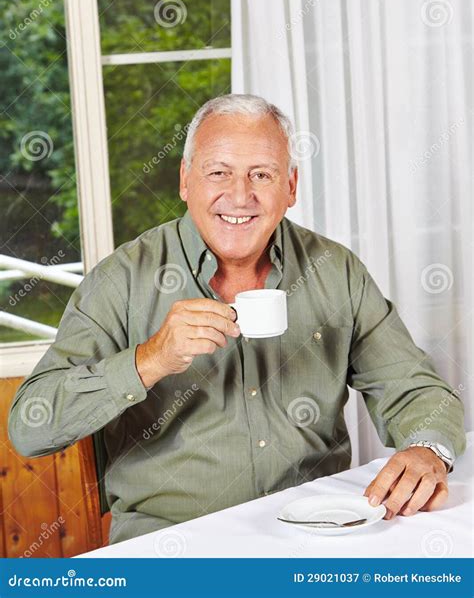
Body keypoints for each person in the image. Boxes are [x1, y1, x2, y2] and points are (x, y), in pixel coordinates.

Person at [9, 94, 465, 546]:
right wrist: (150, 359)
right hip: (174, 543)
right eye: (218, 172)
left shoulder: (335, 270)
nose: (240, 195)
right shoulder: (122, 279)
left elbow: (415, 388)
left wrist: (429, 449)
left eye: (261, 175)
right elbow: (30, 426)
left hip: (314, 530)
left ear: (291, 186)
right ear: (185, 180)